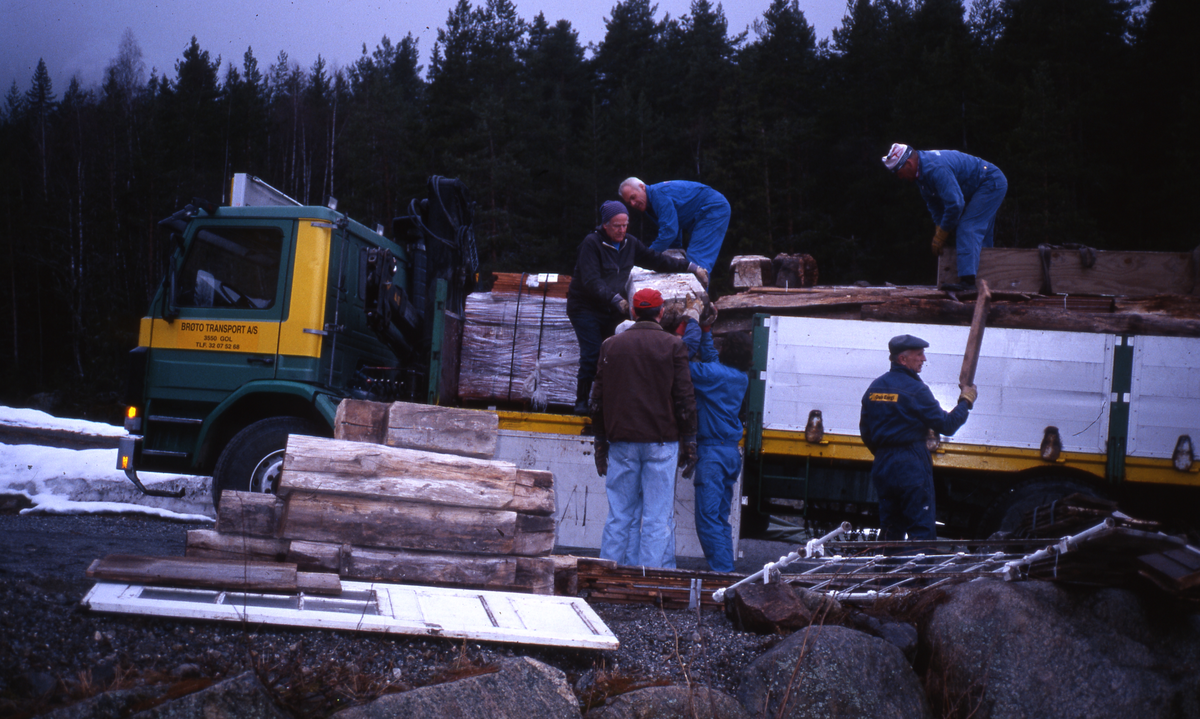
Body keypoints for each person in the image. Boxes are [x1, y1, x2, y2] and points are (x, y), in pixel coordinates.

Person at [567, 200, 710, 415]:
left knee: (614, 353)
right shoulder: (591, 244)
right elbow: (591, 281)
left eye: (625, 225)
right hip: (585, 307)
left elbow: (656, 260)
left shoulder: (629, 243)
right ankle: (581, 403)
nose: (622, 230)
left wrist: (691, 267)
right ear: (605, 225)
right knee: (592, 353)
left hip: (611, 308)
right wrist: (619, 301)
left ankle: (607, 402)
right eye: (617, 226)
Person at [590, 288, 698, 569]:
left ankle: (608, 578)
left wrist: (600, 443)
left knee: (619, 515)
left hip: (622, 442)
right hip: (661, 442)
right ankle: (650, 582)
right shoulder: (674, 345)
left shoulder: (611, 345)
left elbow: (597, 400)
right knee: (656, 517)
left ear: (634, 312)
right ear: (661, 313)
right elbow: (685, 398)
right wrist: (690, 441)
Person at [859, 334, 977, 542]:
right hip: (910, 463)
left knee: (890, 529)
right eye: (919, 354)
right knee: (921, 531)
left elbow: (866, 432)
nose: (924, 359)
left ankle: (887, 574)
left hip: (883, 465)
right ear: (902, 359)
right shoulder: (916, 390)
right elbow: (947, 425)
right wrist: (965, 401)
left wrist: (886, 453)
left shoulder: (874, 388)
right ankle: (917, 575)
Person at [678, 306, 751, 572]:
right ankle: (725, 568)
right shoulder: (739, 376)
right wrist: (707, 331)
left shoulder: (713, 375)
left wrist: (689, 326)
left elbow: (679, 360)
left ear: (726, 352)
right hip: (730, 453)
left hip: (713, 455)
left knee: (708, 519)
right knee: (720, 517)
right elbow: (711, 360)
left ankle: (722, 574)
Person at [882, 143, 1008, 292]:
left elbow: (956, 204)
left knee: (968, 227)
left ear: (909, 163)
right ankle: (986, 282)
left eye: (898, 172)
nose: (900, 177)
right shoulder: (921, 175)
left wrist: (943, 232)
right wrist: (939, 228)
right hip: (978, 187)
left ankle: (968, 283)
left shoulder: (935, 169)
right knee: (978, 233)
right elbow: (934, 204)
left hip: (990, 181)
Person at [618, 178, 730, 274]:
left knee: (696, 262)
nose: (632, 204)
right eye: (629, 202)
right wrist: (674, 250)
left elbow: (669, 232)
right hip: (705, 212)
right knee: (684, 260)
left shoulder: (658, 195)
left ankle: (699, 298)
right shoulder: (650, 205)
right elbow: (672, 229)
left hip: (713, 209)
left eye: (633, 197)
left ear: (642, 187)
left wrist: (646, 256)